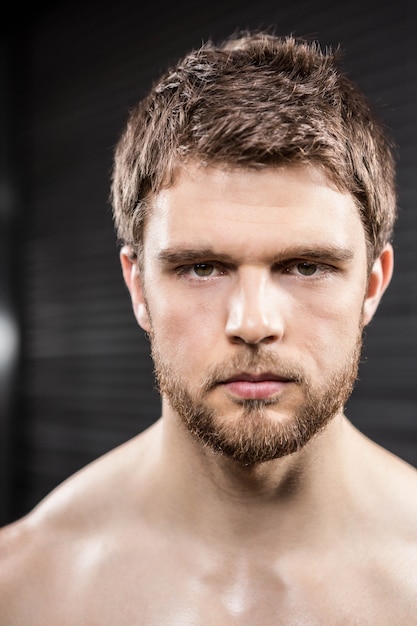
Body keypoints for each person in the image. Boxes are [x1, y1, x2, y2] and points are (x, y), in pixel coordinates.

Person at [1, 29, 416, 625]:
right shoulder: (23, 588)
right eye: (202, 268)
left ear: (373, 284)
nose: (253, 323)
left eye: (306, 266)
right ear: (138, 286)